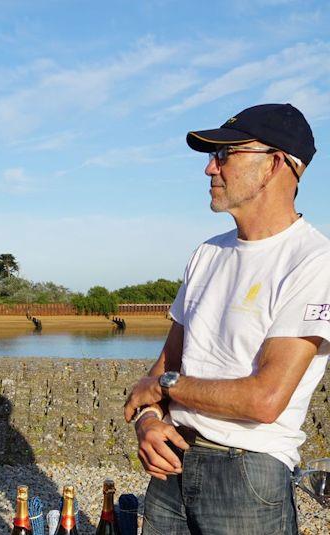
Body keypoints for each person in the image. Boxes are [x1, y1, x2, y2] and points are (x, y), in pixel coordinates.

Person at [123, 103, 329, 534]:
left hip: (248, 475)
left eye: (224, 154)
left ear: (274, 164)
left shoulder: (313, 261)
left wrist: (164, 389)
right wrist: (147, 422)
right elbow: (165, 365)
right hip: (172, 461)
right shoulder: (206, 254)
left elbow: (264, 400)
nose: (209, 169)